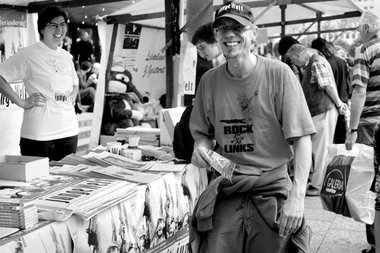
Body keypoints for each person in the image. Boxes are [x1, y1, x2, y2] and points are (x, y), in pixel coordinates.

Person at [188, 2, 316, 253]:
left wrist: (297, 198)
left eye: (238, 27)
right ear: (216, 35)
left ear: (253, 32)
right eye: (222, 28)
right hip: (228, 183)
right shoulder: (209, 81)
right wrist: (201, 149)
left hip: (272, 185)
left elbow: (302, 139)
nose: (229, 34)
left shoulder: (279, 74)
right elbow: (202, 134)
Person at [0, 6, 79, 161]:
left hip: (69, 131)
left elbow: (75, 83)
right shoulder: (29, 54)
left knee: (65, 182)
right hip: (39, 136)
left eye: (63, 24)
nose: (59, 29)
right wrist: (22, 102)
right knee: (37, 183)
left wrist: (72, 98)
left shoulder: (65, 56)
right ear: (42, 28)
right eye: (53, 25)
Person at [286, 43, 347, 196]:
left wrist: (339, 104)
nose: (292, 63)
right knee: (316, 148)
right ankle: (316, 181)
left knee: (320, 149)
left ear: (299, 54)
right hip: (319, 111)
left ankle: (318, 185)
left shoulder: (316, 62)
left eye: (292, 60)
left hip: (323, 110)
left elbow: (327, 86)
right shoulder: (312, 63)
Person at [344, 10, 380, 253]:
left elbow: (359, 92)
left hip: (371, 126)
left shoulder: (365, 51)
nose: (358, 33)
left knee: (372, 187)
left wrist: (352, 130)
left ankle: (375, 243)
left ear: (367, 29)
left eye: (359, 29)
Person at [311, 37, 351, 144]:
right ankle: (341, 159)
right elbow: (348, 82)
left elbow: (327, 86)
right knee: (341, 136)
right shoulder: (342, 62)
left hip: (331, 103)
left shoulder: (325, 64)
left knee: (329, 138)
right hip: (344, 99)